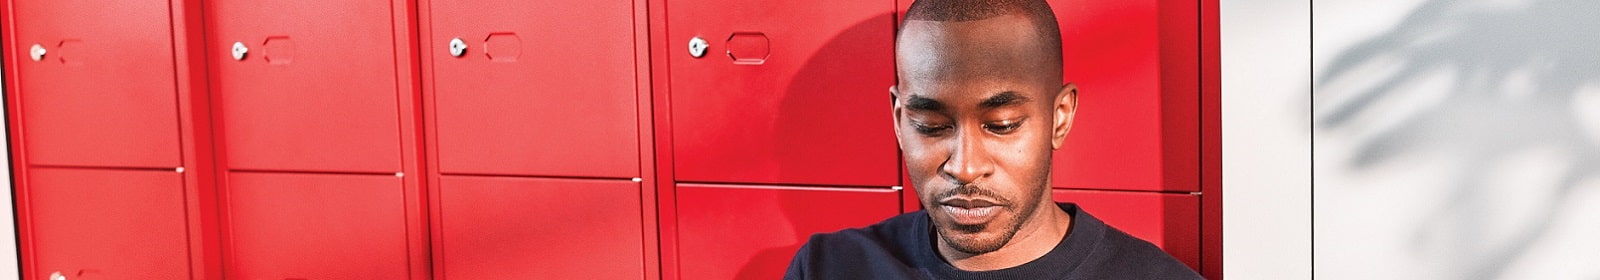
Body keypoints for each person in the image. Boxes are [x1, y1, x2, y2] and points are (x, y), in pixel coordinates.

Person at [783, 0, 1203, 279]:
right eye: (931, 126)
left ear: (1060, 117)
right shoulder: (829, 268)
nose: (964, 167)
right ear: (898, 119)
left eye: (1001, 125)